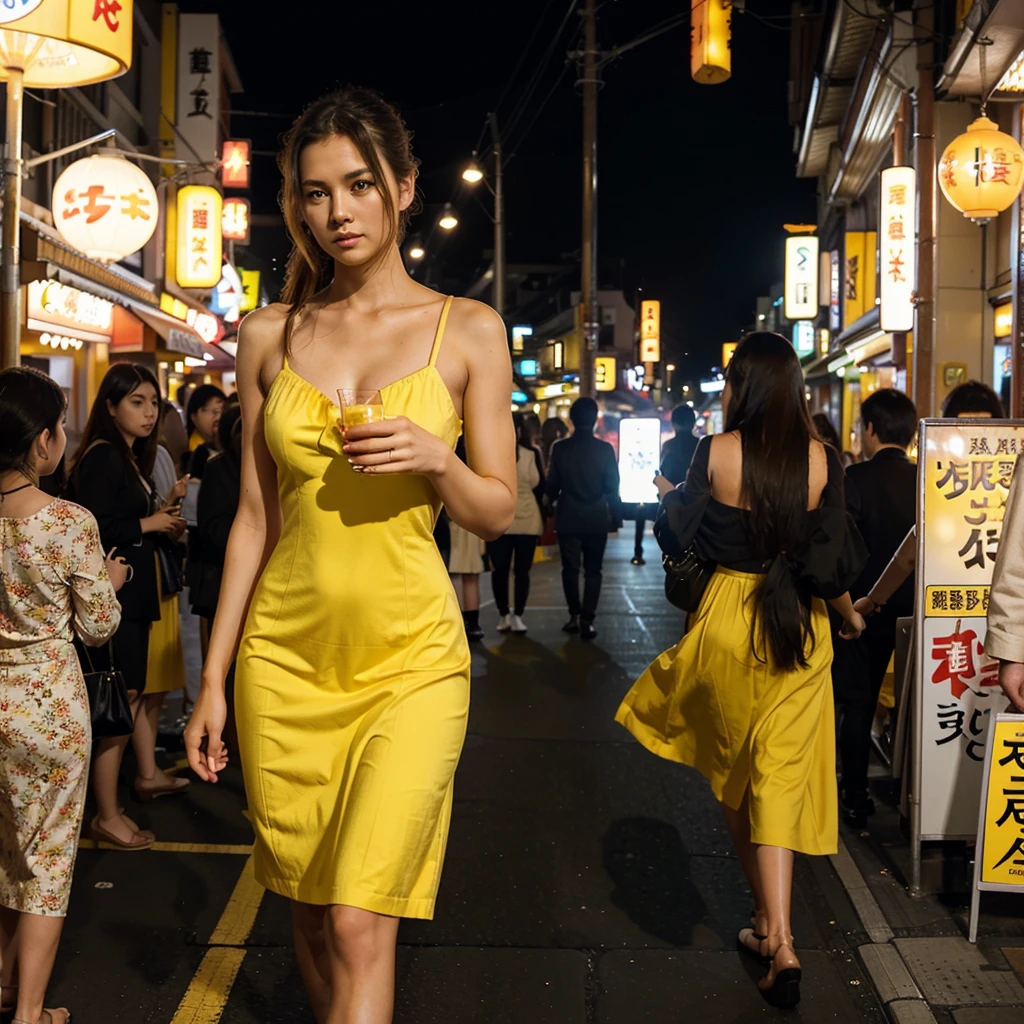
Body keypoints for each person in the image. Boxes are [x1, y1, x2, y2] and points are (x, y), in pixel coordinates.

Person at [183, 86, 516, 1023]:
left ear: (403, 189)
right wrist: (213, 680)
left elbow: (496, 510)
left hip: (411, 660)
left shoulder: (470, 329)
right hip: (284, 665)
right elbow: (254, 518)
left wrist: (436, 459)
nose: (337, 213)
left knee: (363, 921)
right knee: (314, 911)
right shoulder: (266, 335)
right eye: (316, 193)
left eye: (359, 185)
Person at [615, 333, 866, 1009]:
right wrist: (847, 614)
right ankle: (780, 937)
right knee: (780, 776)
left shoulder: (715, 453)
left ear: (743, 386)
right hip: (799, 628)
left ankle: (765, 920)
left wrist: (675, 496)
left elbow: (680, 535)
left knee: (733, 772)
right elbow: (826, 558)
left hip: (728, 617)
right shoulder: (823, 459)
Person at [0, 367, 126, 1024]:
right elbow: (97, 625)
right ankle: (29, 1013)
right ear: (42, 440)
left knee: (2, 850)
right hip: (47, 700)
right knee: (44, 857)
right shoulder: (67, 521)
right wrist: (110, 579)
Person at [65, 364, 190, 851]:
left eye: (153, 402)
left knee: (129, 696)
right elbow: (94, 526)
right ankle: (107, 814)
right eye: (137, 401)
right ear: (111, 405)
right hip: (114, 595)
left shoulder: (127, 455)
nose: (149, 411)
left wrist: (156, 520)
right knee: (119, 701)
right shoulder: (103, 456)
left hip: (128, 596)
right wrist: (150, 522)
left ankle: (115, 804)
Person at [833, 389, 918, 828]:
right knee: (916, 706)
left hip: (862, 613)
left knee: (858, 702)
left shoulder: (855, 479)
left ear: (870, 429)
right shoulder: (929, 480)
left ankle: (855, 794)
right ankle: (914, 798)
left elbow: (838, 548)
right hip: (920, 616)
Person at [547, 397, 621, 640]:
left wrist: (548, 503)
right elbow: (612, 486)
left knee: (570, 569)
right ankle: (588, 619)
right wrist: (616, 515)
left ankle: (574, 616)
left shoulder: (560, 448)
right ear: (594, 420)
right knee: (593, 571)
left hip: (568, 516)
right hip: (597, 516)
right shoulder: (605, 450)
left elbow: (553, 485)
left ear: (571, 419)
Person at [488, 412, 545, 634]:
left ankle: (504, 615)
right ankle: (518, 615)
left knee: (499, 570)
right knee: (522, 571)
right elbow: (539, 485)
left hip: (497, 518)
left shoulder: (491, 454)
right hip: (528, 520)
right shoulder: (531, 454)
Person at [447, 437, 488, 641]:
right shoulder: (475, 459)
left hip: (448, 521)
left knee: (451, 576)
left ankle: (457, 623)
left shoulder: (445, 453)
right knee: (470, 575)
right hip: (471, 520)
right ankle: (473, 623)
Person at [182, 384, 226, 479]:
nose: (217, 415)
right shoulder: (191, 455)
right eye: (206, 409)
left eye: (220, 409)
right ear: (193, 417)